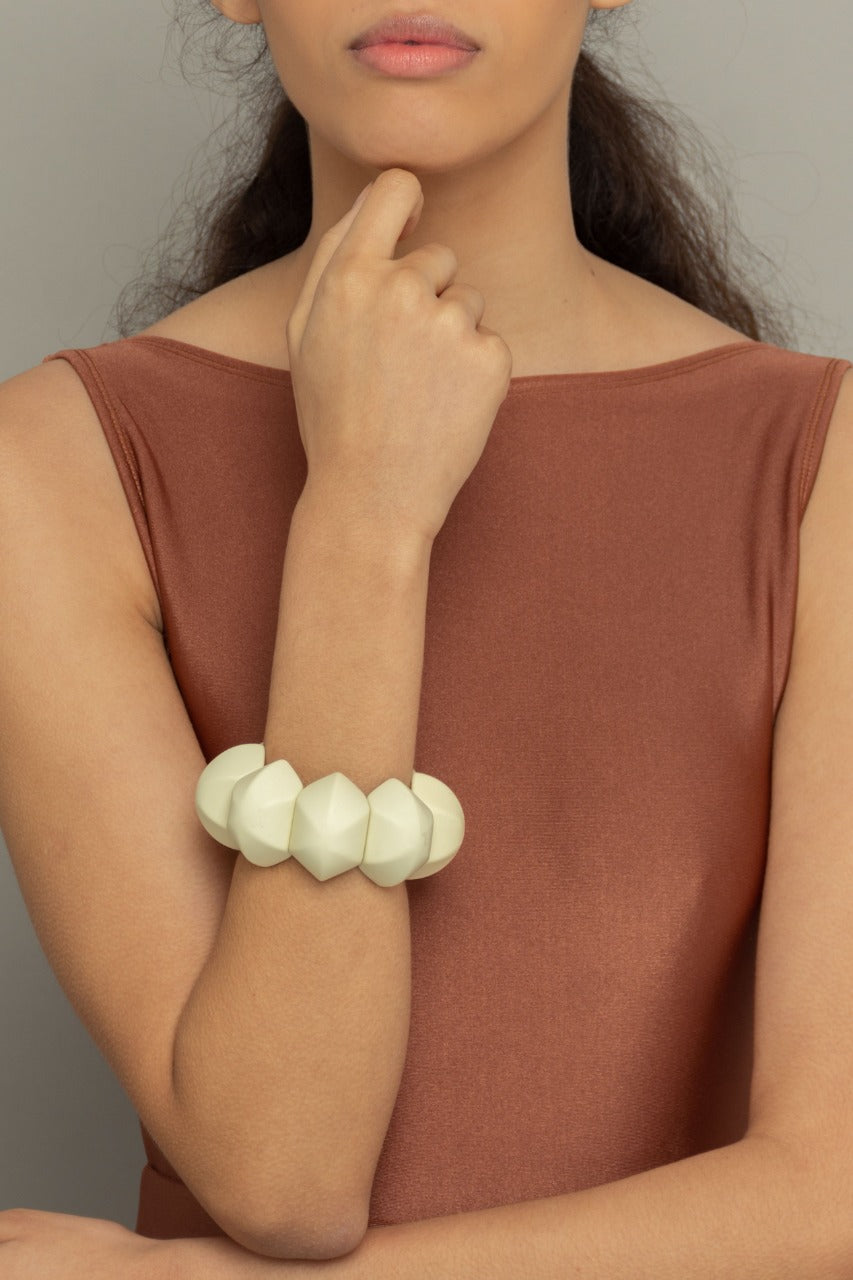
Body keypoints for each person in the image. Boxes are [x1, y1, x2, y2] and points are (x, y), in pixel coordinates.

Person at [1, 1, 851, 1276]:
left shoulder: (821, 468)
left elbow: (830, 1191)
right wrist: (364, 515)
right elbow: (283, 1174)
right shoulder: (51, 468)